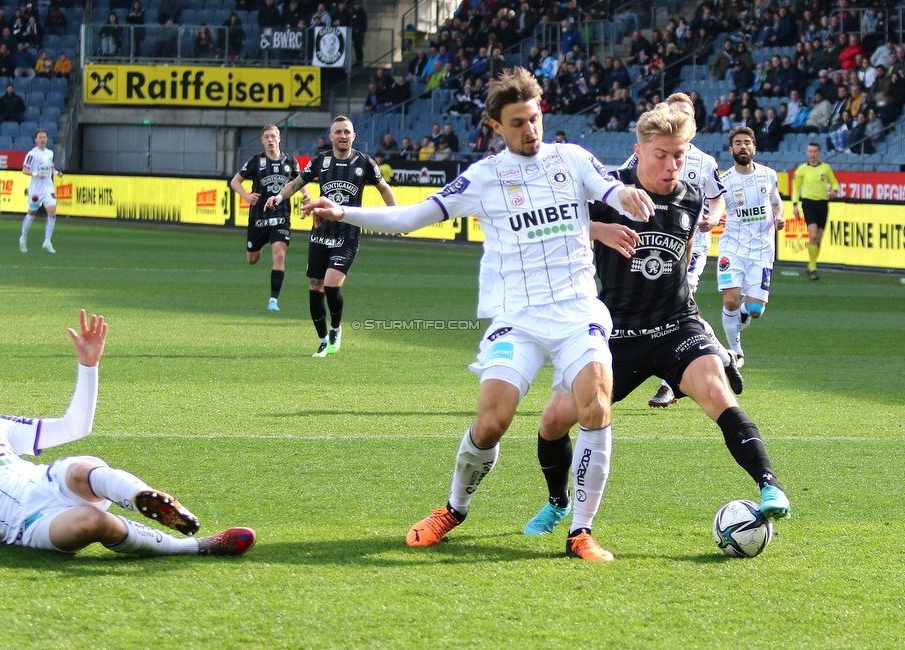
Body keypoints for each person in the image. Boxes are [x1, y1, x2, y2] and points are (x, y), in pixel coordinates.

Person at [302, 68, 656, 560]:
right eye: (517, 123)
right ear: (495, 126)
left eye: (534, 119)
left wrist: (626, 196)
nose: (529, 130)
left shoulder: (571, 158)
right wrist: (343, 213)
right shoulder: (484, 177)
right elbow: (410, 216)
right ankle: (453, 508)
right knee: (492, 421)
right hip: (517, 317)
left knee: (597, 404)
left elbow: (607, 187)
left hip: (579, 311)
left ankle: (580, 532)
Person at [521, 105, 791, 544]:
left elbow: (679, 269)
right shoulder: (605, 192)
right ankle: (558, 502)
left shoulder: (689, 197)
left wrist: (709, 339)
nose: (672, 166)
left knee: (716, 393)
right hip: (615, 333)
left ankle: (769, 484)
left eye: (680, 156)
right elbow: (543, 223)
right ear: (638, 151)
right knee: (553, 421)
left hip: (674, 327)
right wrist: (596, 230)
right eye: (661, 155)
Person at [0, 310, 255, 557]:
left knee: (83, 468)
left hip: (49, 482)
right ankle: (197, 547)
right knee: (91, 522)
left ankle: (154, 502)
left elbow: (76, 427)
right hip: (27, 523)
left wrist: (89, 365)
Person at [616, 92, 740, 410]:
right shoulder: (649, 151)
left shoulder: (705, 161)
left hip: (691, 244)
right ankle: (722, 355)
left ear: (694, 123)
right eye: (673, 111)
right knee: (677, 306)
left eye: (685, 113)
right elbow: (618, 181)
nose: (678, 116)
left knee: (678, 302)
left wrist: (713, 217)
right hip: (652, 243)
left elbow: (717, 196)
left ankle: (670, 382)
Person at [265, 116, 397, 358]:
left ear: (354, 136)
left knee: (331, 284)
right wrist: (278, 197)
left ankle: (336, 327)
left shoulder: (364, 162)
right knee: (315, 287)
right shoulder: (321, 161)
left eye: (347, 131)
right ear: (331, 136)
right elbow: (296, 183)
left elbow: (384, 187)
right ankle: (323, 340)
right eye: (338, 132)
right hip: (320, 234)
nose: (343, 135)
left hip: (347, 235)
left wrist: (396, 215)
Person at [719, 127, 785, 367]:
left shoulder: (768, 175)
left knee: (755, 309)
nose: (743, 146)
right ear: (731, 149)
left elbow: (777, 203)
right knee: (730, 301)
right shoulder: (724, 181)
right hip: (732, 247)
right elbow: (714, 208)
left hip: (762, 250)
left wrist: (778, 217)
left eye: (747, 142)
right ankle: (736, 352)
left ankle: (745, 314)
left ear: (754, 148)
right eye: (738, 143)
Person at [230, 124, 309, 312]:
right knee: (252, 259)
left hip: (281, 216)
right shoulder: (256, 161)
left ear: (279, 138)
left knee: (280, 255)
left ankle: (273, 300)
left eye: (274, 136)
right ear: (262, 140)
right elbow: (235, 181)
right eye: (267, 137)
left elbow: (300, 180)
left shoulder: (290, 161)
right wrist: (247, 196)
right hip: (258, 216)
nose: (271, 139)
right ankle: (259, 244)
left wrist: (305, 194)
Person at [791, 142, 839, 281]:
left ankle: (811, 264)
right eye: (810, 151)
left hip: (823, 204)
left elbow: (835, 183)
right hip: (808, 203)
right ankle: (813, 268)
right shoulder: (801, 170)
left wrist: (834, 191)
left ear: (819, 153)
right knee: (812, 236)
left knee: (818, 239)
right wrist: (795, 204)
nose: (812, 154)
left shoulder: (826, 168)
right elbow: (795, 188)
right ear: (807, 153)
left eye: (815, 151)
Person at [20, 129, 62, 254]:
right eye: (40, 137)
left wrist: (56, 173)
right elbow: (24, 170)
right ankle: (23, 238)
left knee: (52, 212)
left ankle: (47, 241)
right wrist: (36, 174)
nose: (43, 139)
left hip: (48, 187)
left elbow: (50, 167)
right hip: (35, 189)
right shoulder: (32, 154)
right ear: (36, 139)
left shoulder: (50, 153)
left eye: (44, 137)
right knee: (32, 213)